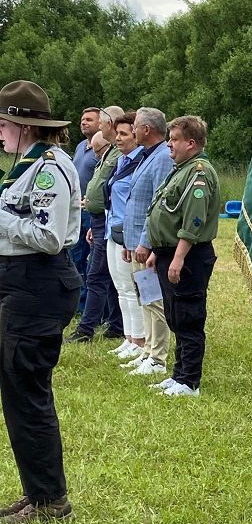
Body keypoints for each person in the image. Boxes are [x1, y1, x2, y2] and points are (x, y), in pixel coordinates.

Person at [0, 80, 82, 524]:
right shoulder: (28, 166)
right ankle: (38, 492)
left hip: (38, 284)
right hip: (22, 283)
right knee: (17, 391)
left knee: (26, 393)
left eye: (2, 124)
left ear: (22, 126)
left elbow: (48, 237)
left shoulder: (50, 168)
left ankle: (49, 499)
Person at [145, 116, 219, 397]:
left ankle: (190, 381)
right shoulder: (181, 169)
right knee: (176, 316)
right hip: (169, 253)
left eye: (174, 139)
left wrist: (177, 258)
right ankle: (178, 374)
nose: (169, 144)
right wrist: (158, 253)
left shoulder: (198, 172)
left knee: (189, 316)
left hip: (189, 256)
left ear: (191, 143)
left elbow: (194, 220)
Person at [65, 105, 125, 345]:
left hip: (106, 221)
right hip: (99, 220)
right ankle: (115, 325)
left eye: (99, 121)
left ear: (108, 123)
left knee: (98, 275)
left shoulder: (119, 155)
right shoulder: (103, 151)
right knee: (101, 273)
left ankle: (88, 327)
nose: (96, 124)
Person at [121, 107, 173, 377]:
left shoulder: (163, 157)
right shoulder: (146, 156)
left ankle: (158, 357)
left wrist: (146, 242)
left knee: (154, 300)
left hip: (147, 242)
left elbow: (157, 204)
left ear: (147, 129)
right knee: (144, 297)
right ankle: (148, 349)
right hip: (134, 241)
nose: (132, 131)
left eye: (136, 126)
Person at [104, 112, 145, 359]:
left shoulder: (139, 162)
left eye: (124, 134)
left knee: (132, 288)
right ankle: (129, 337)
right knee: (120, 287)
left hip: (128, 231)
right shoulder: (121, 161)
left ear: (136, 135)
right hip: (112, 228)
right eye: (117, 133)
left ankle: (139, 340)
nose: (118, 138)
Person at [70, 106, 101, 312]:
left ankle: (90, 307)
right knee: (76, 258)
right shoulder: (81, 146)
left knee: (93, 263)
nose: (84, 122)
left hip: (92, 213)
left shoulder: (102, 149)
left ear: (100, 124)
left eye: (89, 119)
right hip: (76, 212)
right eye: (82, 118)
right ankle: (77, 305)